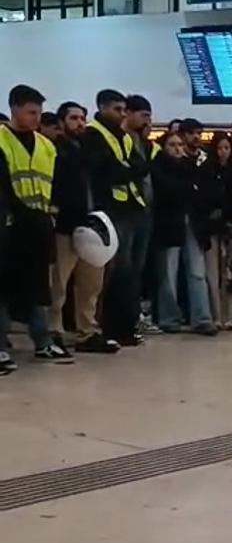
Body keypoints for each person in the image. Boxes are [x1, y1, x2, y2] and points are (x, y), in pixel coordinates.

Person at [0, 84, 73, 370]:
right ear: (14, 108)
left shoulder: (46, 145)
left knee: (38, 286)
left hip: (39, 226)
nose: (36, 118)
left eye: (39, 112)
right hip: (7, 226)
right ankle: (2, 346)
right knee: (3, 287)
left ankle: (42, 342)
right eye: (31, 112)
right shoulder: (1, 141)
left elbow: (57, 183)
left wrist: (51, 212)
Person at [82, 89, 152, 347]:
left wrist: (127, 170)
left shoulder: (123, 136)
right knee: (116, 272)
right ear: (101, 107)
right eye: (116, 109)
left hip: (133, 208)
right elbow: (109, 171)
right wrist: (127, 170)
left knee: (132, 273)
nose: (121, 114)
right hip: (109, 210)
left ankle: (126, 327)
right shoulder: (93, 134)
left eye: (124, 110)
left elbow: (139, 166)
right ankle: (110, 327)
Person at [49, 101, 118, 354]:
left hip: (93, 225)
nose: (80, 123)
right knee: (58, 282)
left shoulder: (90, 150)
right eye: (74, 118)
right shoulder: (56, 151)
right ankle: (53, 331)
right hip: (66, 225)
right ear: (61, 123)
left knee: (91, 284)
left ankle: (87, 330)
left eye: (83, 118)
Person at [150, 131, 216, 336]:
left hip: (193, 225)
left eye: (179, 144)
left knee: (197, 273)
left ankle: (202, 318)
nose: (178, 148)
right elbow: (168, 191)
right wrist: (189, 188)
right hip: (168, 225)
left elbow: (201, 193)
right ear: (163, 147)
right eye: (172, 144)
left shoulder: (191, 167)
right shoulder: (157, 168)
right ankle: (169, 318)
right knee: (168, 274)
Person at [196, 131, 232, 330]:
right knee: (212, 274)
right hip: (211, 229)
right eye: (219, 148)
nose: (223, 152)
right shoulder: (205, 171)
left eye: (226, 148)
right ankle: (215, 315)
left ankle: (230, 316)